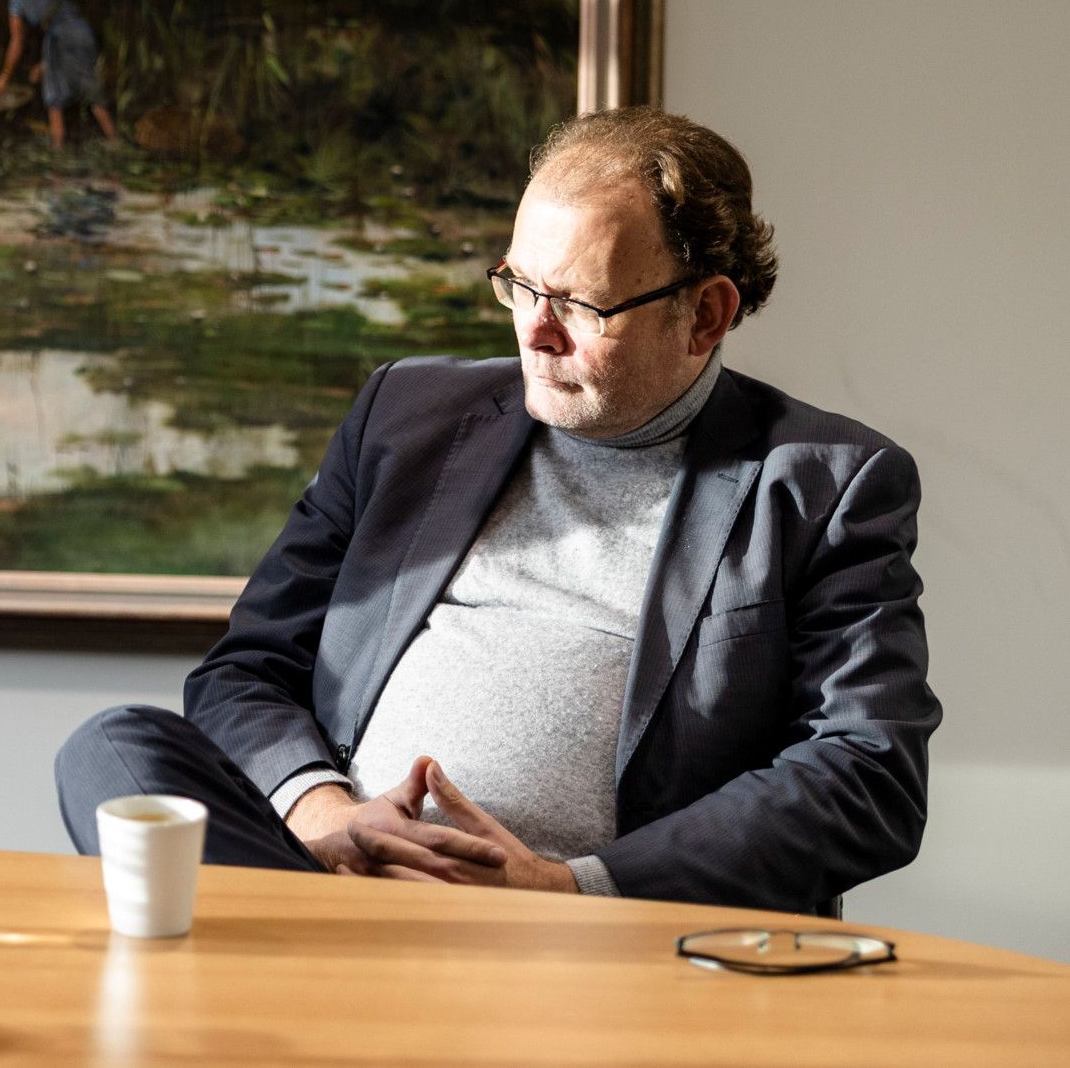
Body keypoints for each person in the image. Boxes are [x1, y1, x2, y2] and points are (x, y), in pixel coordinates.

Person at [54, 108, 937, 915]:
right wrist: (331, 816)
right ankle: (344, 964)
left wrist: (568, 886)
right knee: (116, 750)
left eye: (581, 304)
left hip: (591, 933)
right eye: (520, 285)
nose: (535, 331)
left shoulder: (822, 483)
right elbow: (245, 668)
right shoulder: (406, 413)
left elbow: (867, 771)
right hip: (338, 879)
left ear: (704, 314)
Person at [0, 0, 119, 148]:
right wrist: (44, 64)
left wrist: (5, 75)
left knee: (55, 98)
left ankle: (57, 148)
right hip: (82, 32)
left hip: (61, 37)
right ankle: (115, 140)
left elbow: (17, 40)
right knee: (91, 89)